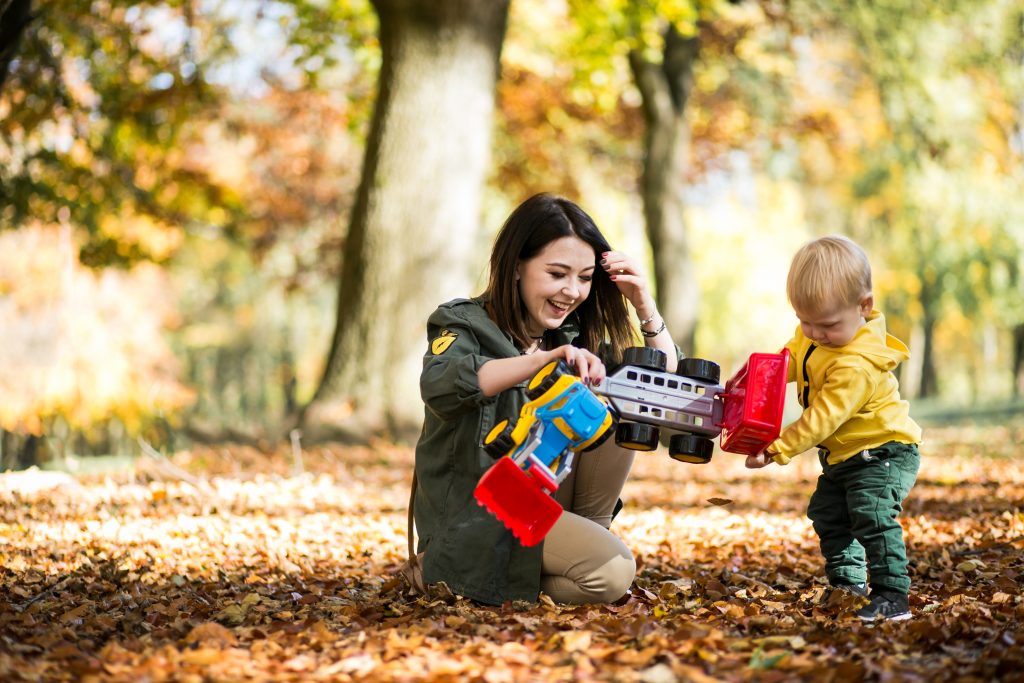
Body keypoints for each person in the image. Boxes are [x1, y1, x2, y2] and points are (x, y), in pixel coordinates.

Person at [412, 192, 679, 606]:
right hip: (481, 513)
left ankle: (583, 542)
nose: (572, 291)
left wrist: (644, 304)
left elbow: (659, 388)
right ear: (517, 266)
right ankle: (456, 576)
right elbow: (442, 384)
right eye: (557, 274)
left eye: (586, 278)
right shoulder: (463, 322)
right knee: (612, 573)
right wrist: (542, 363)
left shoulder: (569, 338)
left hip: (538, 501)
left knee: (618, 396)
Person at [746, 235, 922, 622]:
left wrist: (778, 448)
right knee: (828, 513)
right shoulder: (817, 335)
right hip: (844, 456)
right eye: (803, 321)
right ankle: (848, 584)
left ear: (864, 307)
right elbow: (793, 357)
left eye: (825, 324)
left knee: (871, 514)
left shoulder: (856, 364)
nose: (813, 332)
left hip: (884, 451)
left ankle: (893, 594)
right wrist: (760, 378)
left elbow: (822, 417)